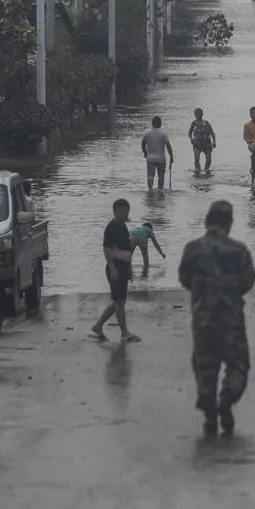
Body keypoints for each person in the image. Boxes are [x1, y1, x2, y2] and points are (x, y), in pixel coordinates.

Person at [178, 200, 255, 436]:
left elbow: (184, 279)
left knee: (205, 367)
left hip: (201, 318)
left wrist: (203, 292)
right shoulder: (238, 250)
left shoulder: (192, 249)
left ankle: (210, 414)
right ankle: (226, 400)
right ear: (230, 223)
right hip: (231, 318)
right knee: (238, 364)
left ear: (206, 221)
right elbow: (248, 280)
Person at [91, 199, 142, 343]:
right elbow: (107, 250)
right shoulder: (111, 227)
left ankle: (98, 325)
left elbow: (126, 249)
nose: (125, 213)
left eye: (127, 210)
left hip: (123, 268)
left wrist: (130, 268)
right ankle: (124, 332)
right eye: (122, 210)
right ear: (115, 212)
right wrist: (113, 269)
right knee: (120, 301)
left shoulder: (123, 227)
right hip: (115, 269)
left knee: (118, 301)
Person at [141, 116, 174, 190]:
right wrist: (171, 157)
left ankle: (150, 191)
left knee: (150, 176)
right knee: (161, 176)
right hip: (161, 159)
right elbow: (168, 146)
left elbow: (143, 144)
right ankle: (160, 190)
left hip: (150, 158)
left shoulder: (147, 133)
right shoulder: (163, 134)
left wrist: (145, 153)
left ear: (152, 123)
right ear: (160, 124)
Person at [188, 108, 216, 172]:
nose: (198, 116)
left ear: (202, 114)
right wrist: (191, 139)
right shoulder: (193, 123)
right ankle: (197, 169)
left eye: (199, 114)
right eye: (196, 114)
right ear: (195, 115)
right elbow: (189, 133)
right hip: (197, 144)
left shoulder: (206, 123)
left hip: (207, 144)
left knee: (208, 158)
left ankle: (206, 168)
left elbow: (212, 133)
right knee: (197, 158)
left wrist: (214, 142)